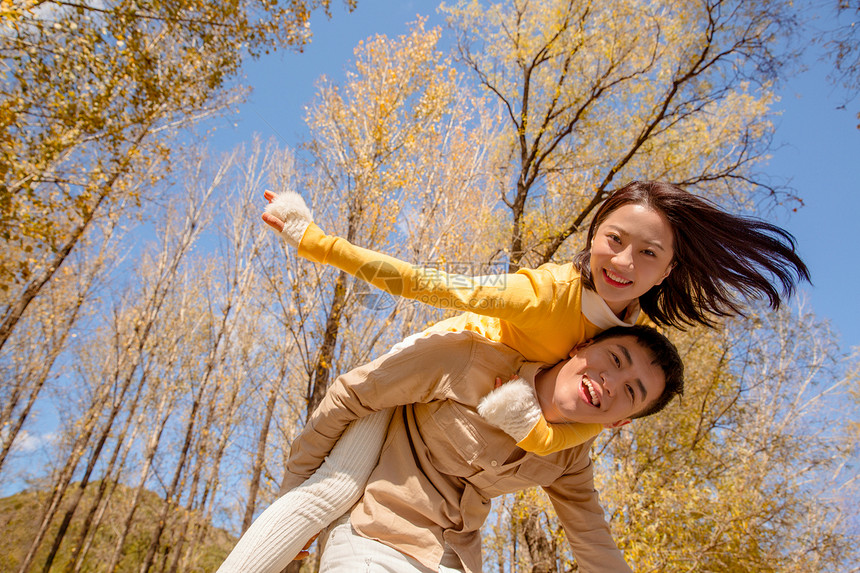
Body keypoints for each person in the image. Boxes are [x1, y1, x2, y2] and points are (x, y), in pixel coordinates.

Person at [222, 325, 684, 572]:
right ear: (582, 346)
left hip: (454, 561)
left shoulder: (568, 460)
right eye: (614, 360)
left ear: (620, 421)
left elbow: (594, 543)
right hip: (376, 537)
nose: (610, 382)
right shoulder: (468, 360)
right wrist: (296, 495)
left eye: (631, 391)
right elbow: (349, 395)